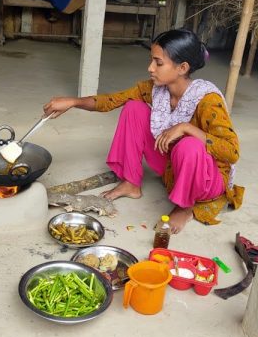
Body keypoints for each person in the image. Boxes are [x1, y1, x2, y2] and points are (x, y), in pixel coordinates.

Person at [44, 29, 243, 234]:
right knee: (134, 108)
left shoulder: (208, 100)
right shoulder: (154, 88)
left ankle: (185, 207)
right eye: (151, 60)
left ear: (182, 67)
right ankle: (131, 183)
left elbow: (232, 152)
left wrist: (186, 128)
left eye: (158, 63)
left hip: (207, 179)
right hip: (173, 165)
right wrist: (73, 102)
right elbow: (111, 100)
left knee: (189, 144)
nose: (150, 68)